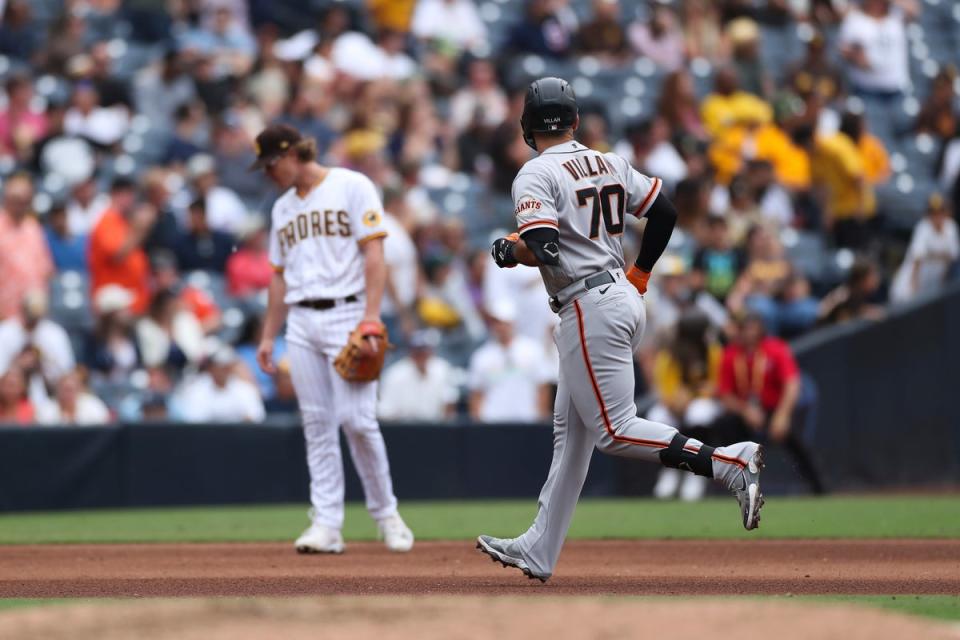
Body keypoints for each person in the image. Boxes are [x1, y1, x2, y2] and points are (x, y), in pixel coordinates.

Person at [478, 77, 765, 582]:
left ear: (527, 125)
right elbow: (666, 211)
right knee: (571, 438)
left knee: (613, 431)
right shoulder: (608, 161)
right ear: (574, 120)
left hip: (587, 303)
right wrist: (641, 273)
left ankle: (729, 463)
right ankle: (539, 549)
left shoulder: (535, 172)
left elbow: (543, 247)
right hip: (617, 294)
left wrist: (508, 250)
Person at [253, 123, 414, 554]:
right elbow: (278, 276)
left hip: (348, 311)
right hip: (302, 321)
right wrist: (269, 335)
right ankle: (327, 524)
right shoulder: (282, 209)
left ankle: (387, 515)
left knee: (358, 421)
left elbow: (374, 253)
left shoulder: (350, 184)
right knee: (317, 423)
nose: (268, 175)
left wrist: (371, 318)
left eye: (270, 165)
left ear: (291, 154)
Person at [716, 312, 825, 494]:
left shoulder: (776, 349)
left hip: (775, 408)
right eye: (744, 328)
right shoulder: (730, 354)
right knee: (723, 427)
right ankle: (729, 486)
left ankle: (819, 488)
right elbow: (725, 395)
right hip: (745, 412)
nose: (748, 333)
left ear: (761, 329)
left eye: (752, 327)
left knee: (796, 439)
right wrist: (745, 411)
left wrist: (782, 415)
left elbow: (792, 384)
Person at [647, 312, 724, 501]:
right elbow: (664, 390)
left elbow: (718, 385)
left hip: (703, 402)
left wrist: (695, 394)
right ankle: (669, 469)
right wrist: (675, 401)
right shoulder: (670, 354)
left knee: (699, 412)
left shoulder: (712, 351)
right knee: (657, 416)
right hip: (677, 405)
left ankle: (694, 471)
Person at [468, 301, 553, 423]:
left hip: (527, 422)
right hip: (492, 424)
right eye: (497, 322)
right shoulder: (481, 356)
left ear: (513, 322)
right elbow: (476, 394)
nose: (501, 327)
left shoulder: (533, 350)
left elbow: (543, 387)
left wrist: (539, 420)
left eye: (504, 322)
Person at [88, 178, 154, 316]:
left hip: (132, 299)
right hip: (114, 302)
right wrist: (140, 228)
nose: (131, 201)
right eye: (128, 195)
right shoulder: (107, 221)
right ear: (117, 194)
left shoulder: (123, 222)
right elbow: (117, 254)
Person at [0, 174, 53, 320]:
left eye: (25, 200)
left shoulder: (33, 227)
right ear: (6, 199)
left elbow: (45, 268)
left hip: (34, 314)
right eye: (17, 200)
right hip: (5, 314)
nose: (21, 205)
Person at [890, 193, 960, 304]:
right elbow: (918, 258)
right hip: (911, 281)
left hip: (933, 283)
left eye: (940, 211)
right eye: (933, 212)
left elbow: (952, 257)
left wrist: (942, 282)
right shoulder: (923, 227)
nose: (937, 215)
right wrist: (913, 286)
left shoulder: (951, 227)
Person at [378, 329, 458, 421]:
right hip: (404, 429)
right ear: (410, 352)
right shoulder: (395, 374)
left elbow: (450, 404)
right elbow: (385, 412)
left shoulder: (443, 369)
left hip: (436, 429)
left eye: (425, 350)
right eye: (417, 351)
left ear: (431, 351)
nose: (421, 355)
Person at [177, 346, 265, 423]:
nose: (221, 371)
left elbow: (256, 418)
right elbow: (194, 421)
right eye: (217, 366)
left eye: (225, 367)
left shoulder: (245, 389)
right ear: (210, 368)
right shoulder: (197, 389)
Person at [35, 369, 111, 425]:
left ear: (78, 390)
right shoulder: (46, 409)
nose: (68, 393)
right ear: (57, 390)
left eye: (71, 390)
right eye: (64, 389)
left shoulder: (93, 406)